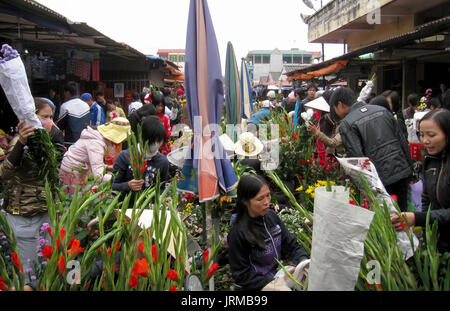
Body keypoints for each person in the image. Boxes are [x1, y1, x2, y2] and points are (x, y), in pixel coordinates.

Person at [0, 97, 68, 285]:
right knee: (28, 272)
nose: (50, 122)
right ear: (32, 118)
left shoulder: (48, 141)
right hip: (24, 214)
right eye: (44, 117)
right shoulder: (18, 144)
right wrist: (21, 142)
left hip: (45, 211)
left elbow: (54, 171)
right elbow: (4, 173)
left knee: (44, 267)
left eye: (51, 117)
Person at [336, 87, 413, 212]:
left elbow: (357, 157)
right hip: (401, 170)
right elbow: (402, 141)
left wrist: (364, 188)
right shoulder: (382, 110)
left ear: (340, 104)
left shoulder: (347, 123)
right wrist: (410, 169)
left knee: (386, 222)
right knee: (402, 216)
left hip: (379, 180)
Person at [227, 174, 309, 291]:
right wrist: (273, 284)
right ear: (245, 201)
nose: (267, 202)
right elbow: (242, 275)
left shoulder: (271, 217)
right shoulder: (238, 234)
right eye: (260, 199)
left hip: (276, 278)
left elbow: (291, 245)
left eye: (268, 195)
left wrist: (303, 262)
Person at [391, 109, 450, 253]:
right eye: (421, 135)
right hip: (439, 243)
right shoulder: (430, 161)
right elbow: (427, 200)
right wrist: (426, 231)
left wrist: (417, 218)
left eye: (431, 135)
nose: (425, 141)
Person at [59, 117, 131, 195]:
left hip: (77, 170)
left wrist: (106, 167)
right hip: (72, 173)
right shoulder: (96, 143)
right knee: (75, 202)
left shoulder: (98, 137)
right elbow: (98, 176)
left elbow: (94, 161)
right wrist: (121, 179)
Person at [112, 115, 169, 204]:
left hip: (150, 212)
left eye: (159, 140)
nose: (156, 144)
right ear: (143, 137)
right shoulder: (124, 157)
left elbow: (162, 188)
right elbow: (112, 186)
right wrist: (127, 185)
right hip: (126, 211)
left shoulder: (163, 162)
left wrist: (162, 198)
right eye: (152, 141)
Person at [57, 81, 90, 148]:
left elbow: (60, 126)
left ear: (67, 93)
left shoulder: (65, 106)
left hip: (70, 143)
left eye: (64, 93)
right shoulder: (86, 105)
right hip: (85, 142)